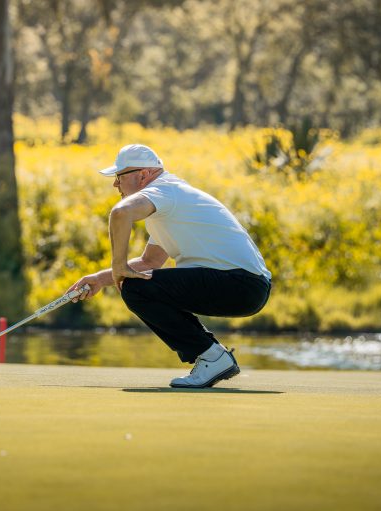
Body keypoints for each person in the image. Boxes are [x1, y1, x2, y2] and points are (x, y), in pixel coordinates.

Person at [68, 144, 271, 388]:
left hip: (241, 284)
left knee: (135, 288)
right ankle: (211, 355)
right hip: (248, 287)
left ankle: (212, 356)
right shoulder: (166, 202)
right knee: (138, 284)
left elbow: (120, 214)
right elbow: (149, 263)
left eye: (118, 177)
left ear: (142, 175)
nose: (115, 185)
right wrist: (100, 279)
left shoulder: (164, 191)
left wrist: (119, 265)